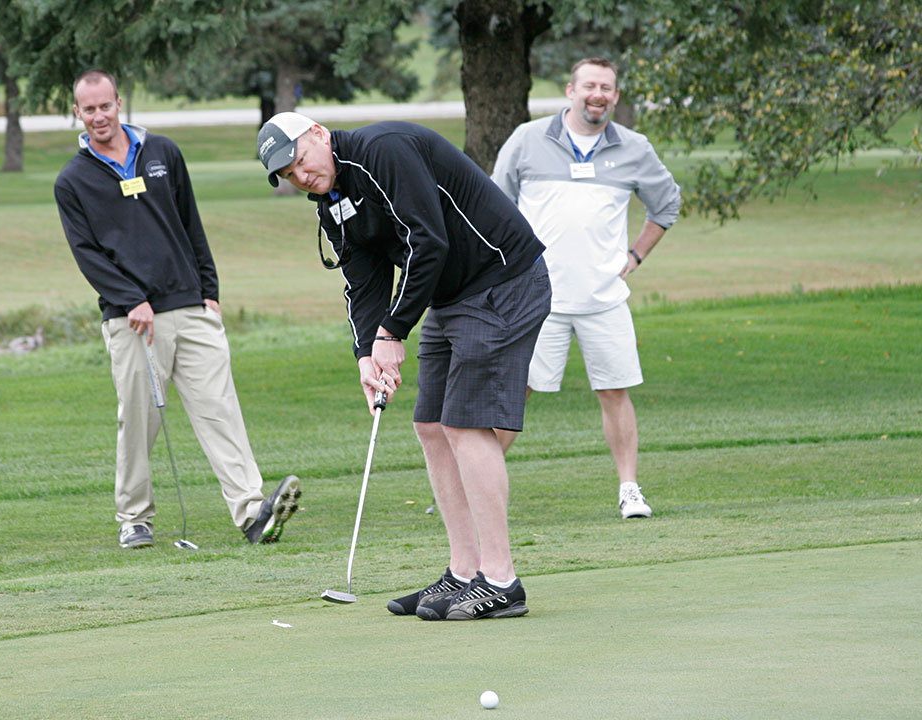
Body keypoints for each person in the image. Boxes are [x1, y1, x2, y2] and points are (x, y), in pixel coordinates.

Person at [257, 112, 552, 621]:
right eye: (288, 175)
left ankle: (501, 580)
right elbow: (364, 278)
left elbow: (427, 239)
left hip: (502, 279)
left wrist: (393, 331)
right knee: (431, 425)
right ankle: (464, 573)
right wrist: (367, 354)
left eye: (301, 160)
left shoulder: (384, 150)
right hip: (452, 294)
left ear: (320, 135)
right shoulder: (331, 202)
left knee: (463, 425)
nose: (301, 176)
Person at [54, 69, 300, 549]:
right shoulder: (73, 181)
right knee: (139, 422)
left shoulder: (163, 152)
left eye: (106, 106)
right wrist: (131, 301)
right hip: (131, 321)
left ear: (118, 103)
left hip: (191, 306)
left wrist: (210, 290)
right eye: (89, 109)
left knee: (220, 410)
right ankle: (135, 518)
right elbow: (87, 255)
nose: (99, 116)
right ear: (77, 114)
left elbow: (191, 224)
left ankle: (253, 514)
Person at [491, 57, 681, 519]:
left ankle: (630, 490)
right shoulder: (528, 139)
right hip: (538, 299)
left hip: (603, 300)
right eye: (590, 86)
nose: (598, 95)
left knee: (615, 391)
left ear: (615, 97)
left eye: (608, 88)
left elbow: (667, 205)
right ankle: (473, 485)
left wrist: (635, 256)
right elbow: (495, 204)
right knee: (517, 393)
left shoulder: (634, 148)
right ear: (571, 91)